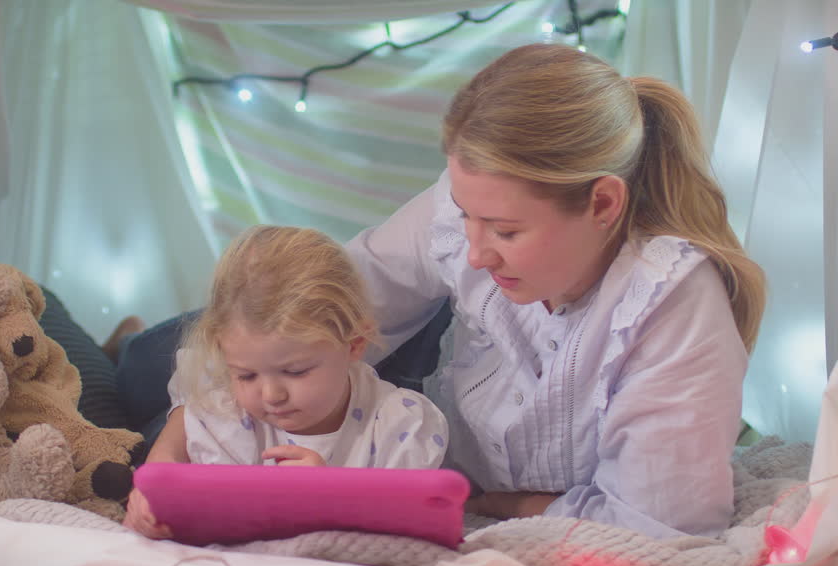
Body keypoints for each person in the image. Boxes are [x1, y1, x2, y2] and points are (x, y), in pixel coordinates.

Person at [113, 43, 765, 540]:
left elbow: (653, 525)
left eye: (506, 230)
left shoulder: (671, 308)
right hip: (404, 344)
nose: (475, 251)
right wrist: (183, 425)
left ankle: (109, 365)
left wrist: (484, 502)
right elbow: (336, 292)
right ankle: (115, 345)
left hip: (416, 407)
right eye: (464, 214)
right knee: (158, 364)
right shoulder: (472, 216)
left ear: (602, 204)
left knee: (145, 426)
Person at [123, 225, 449, 539]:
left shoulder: (400, 425)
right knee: (133, 371)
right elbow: (175, 489)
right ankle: (124, 340)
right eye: (246, 375)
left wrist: (333, 497)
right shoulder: (222, 417)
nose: (271, 394)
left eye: (295, 372)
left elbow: (420, 526)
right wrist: (154, 502)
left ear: (354, 343)